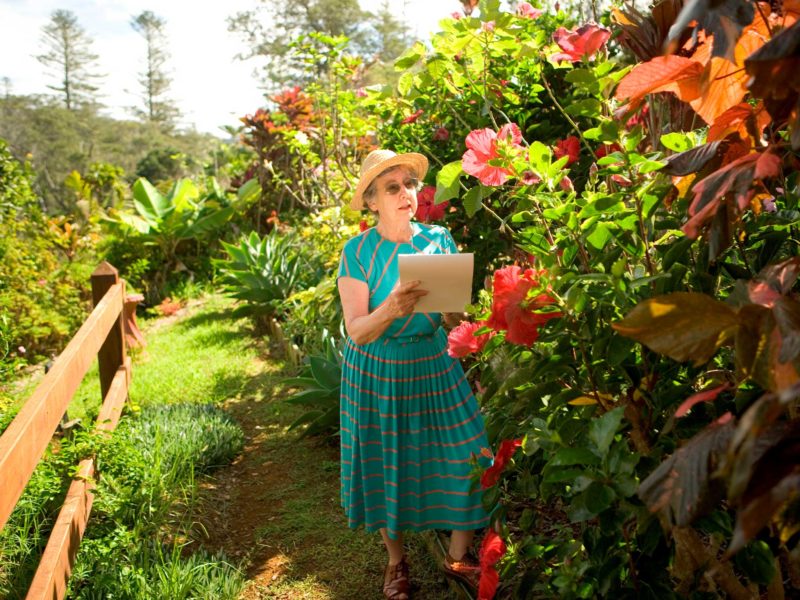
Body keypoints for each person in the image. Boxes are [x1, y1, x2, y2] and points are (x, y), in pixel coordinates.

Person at [336, 149, 491, 599]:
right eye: (392, 187)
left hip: (434, 363)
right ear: (371, 201)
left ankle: (459, 557)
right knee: (389, 463)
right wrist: (394, 306)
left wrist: (453, 311)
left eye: (409, 184)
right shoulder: (358, 252)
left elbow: (455, 317)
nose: (406, 194)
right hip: (378, 371)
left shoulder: (438, 239)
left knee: (470, 453)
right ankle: (395, 563)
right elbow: (358, 331)